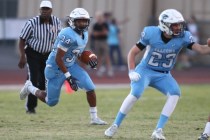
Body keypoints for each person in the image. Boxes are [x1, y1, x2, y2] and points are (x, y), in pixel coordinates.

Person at [104, 9, 210, 139]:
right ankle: (115, 125)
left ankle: (158, 130)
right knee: (135, 94)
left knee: (175, 93)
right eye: (175, 25)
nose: (178, 28)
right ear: (164, 25)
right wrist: (131, 71)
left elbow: (202, 49)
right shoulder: (151, 33)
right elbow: (132, 53)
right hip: (145, 70)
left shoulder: (183, 36)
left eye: (179, 24)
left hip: (164, 74)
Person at [19, 8, 107, 125]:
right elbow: (58, 58)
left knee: (90, 87)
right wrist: (69, 78)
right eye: (79, 21)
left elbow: (77, 53)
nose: (82, 24)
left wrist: (89, 58)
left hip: (70, 65)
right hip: (55, 68)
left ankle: (94, 118)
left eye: (84, 21)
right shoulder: (67, 34)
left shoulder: (84, 34)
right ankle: (29, 87)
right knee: (51, 102)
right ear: (72, 21)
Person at [18, 0, 61, 114]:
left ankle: (29, 88)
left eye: (47, 9)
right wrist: (22, 56)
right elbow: (22, 39)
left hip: (48, 54)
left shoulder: (56, 22)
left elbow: (59, 39)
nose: (45, 11)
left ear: (51, 10)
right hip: (33, 53)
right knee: (34, 80)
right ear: (40, 10)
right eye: (43, 9)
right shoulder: (32, 23)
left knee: (43, 82)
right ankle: (30, 108)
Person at [92, 11, 113, 77]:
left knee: (107, 56)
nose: (98, 18)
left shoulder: (105, 24)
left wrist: (98, 33)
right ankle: (100, 70)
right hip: (97, 42)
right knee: (98, 57)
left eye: (99, 16)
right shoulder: (95, 25)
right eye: (97, 17)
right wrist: (101, 33)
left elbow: (106, 33)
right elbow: (94, 34)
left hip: (104, 41)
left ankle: (109, 70)